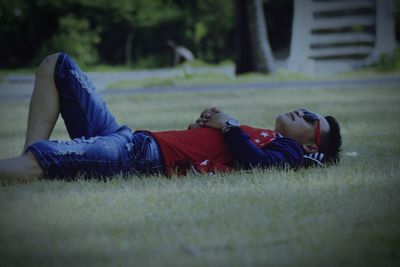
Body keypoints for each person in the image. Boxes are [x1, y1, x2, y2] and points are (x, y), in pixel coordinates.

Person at [0, 53, 342, 184]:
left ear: (311, 143)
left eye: (311, 119)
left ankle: (26, 166)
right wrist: (205, 127)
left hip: (139, 157)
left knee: (46, 160)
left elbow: (259, 165)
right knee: (56, 64)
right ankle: (25, 161)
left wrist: (227, 124)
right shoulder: (266, 135)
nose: (303, 111)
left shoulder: (289, 153)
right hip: (131, 137)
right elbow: (224, 151)